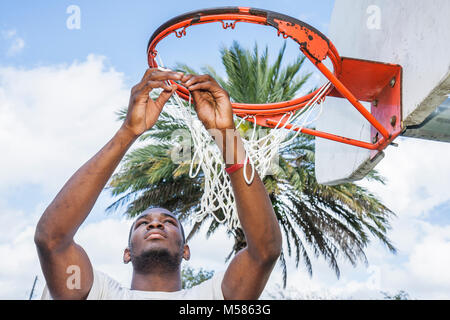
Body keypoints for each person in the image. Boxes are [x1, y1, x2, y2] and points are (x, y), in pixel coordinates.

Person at [35, 69, 282, 300]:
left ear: (186, 250)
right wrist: (128, 132)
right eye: (143, 223)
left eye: (169, 222)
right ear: (126, 253)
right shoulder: (101, 293)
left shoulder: (209, 296)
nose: (155, 222)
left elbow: (264, 251)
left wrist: (226, 135)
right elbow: (52, 239)